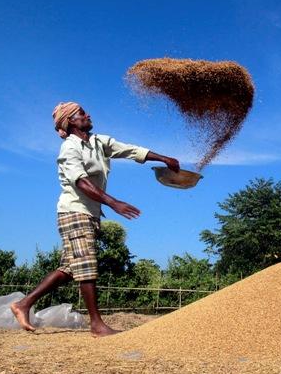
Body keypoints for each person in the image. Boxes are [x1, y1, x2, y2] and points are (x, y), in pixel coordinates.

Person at [11, 101, 180, 336]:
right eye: (81, 113)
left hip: (90, 213)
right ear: (70, 121)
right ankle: (96, 324)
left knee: (70, 268)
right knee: (87, 264)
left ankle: (23, 304)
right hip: (74, 211)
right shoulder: (70, 149)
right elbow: (80, 182)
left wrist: (163, 158)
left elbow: (130, 150)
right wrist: (114, 203)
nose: (87, 114)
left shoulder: (99, 142)